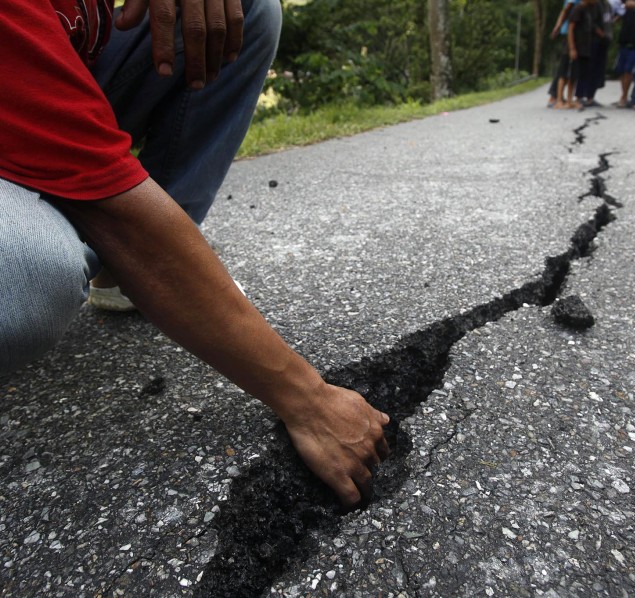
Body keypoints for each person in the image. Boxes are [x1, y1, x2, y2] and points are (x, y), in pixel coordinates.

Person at [0, 0, 390, 508]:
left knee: (244, 8)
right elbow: (116, 211)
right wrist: (309, 400)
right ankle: (132, 259)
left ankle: (127, 273)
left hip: (54, 79)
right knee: (29, 272)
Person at [576, 0, 623, 108]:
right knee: (588, 69)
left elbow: (611, 19)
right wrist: (600, 33)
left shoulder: (608, 5)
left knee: (598, 71)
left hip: (604, 41)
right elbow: (590, 22)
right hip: (593, 41)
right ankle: (579, 96)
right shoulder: (594, 4)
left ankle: (590, 97)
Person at [548, 0, 580, 109]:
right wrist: (558, 26)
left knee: (568, 68)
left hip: (576, 32)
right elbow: (566, 9)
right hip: (569, 32)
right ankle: (555, 96)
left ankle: (561, 97)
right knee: (565, 67)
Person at [613, 3, 635, 107]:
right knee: (620, 70)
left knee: (628, 70)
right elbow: (617, 14)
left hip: (634, 43)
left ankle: (624, 96)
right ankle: (623, 94)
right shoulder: (625, 8)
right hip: (623, 42)